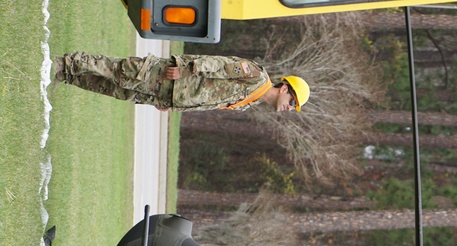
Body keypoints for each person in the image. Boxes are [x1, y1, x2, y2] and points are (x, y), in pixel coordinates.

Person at [52, 52, 309, 112]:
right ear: (284, 88)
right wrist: (185, 68)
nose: (289, 107)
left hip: (169, 95)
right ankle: (63, 63)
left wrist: (174, 106)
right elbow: (218, 64)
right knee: (118, 70)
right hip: (171, 76)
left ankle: (64, 75)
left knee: (114, 88)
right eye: (292, 101)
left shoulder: (248, 103)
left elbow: (207, 101)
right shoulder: (255, 76)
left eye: (293, 106)